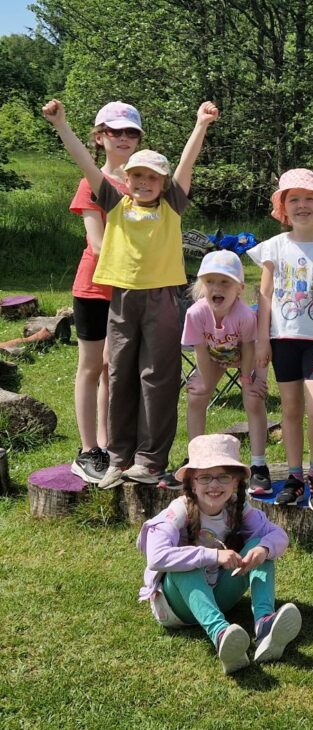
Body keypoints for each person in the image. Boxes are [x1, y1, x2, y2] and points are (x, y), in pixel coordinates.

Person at [43, 98, 219, 489]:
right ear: (128, 179)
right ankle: (118, 458)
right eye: (136, 177)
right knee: (120, 375)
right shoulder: (114, 201)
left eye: (151, 178)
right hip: (121, 300)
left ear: (164, 182)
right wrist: (61, 126)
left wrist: (200, 124)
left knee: (157, 377)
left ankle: (152, 460)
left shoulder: (172, 205)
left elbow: (187, 163)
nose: (142, 183)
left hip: (161, 299)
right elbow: (86, 164)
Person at [136, 434, 300, 675]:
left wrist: (262, 550)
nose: (214, 485)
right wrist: (212, 556)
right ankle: (221, 635)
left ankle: (265, 624)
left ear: (235, 483)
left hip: (217, 596)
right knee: (186, 563)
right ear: (192, 483)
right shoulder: (178, 511)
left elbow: (279, 536)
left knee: (260, 545)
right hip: (177, 607)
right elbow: (157, 557)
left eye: (223, 477)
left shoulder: (238, 508)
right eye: (205, 477)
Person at [249, 169, 313, 511]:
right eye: (295, 199)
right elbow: (263, 297)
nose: (302, 205)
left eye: (310, 198)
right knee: (291, 409)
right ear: (283, 208)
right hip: (283, 339)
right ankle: (294, 476)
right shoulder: (273, 248)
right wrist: (262, 340)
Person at [67, 102, 141, 482]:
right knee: (91, 366)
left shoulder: (144, 182)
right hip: (95, 289)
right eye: (116, 132)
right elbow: (96, 245)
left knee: (115, 368)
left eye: (131, 133)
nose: (124, 138)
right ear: (100, 138)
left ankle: (107, 444)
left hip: (131, 289)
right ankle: (86, 450)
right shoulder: (92, 182)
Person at [181, 250, 271, 494]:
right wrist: (205, 381)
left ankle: (259, 464)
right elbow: (200, 349)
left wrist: (247, 380)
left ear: (239, 288)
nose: (216, 288)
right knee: (196, 396)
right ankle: (195, 458)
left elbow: (250, 348)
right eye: (209, 282)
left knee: (253, 398)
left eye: (224, 282)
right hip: (214, 356)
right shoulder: (195, 313)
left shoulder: (244, 315)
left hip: (247, 355)